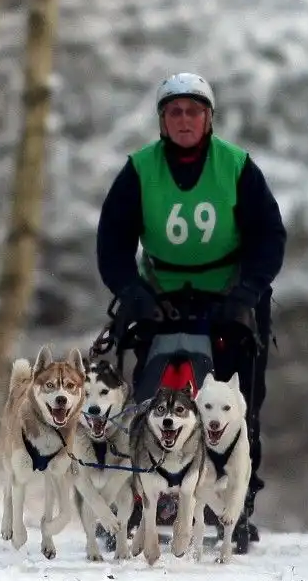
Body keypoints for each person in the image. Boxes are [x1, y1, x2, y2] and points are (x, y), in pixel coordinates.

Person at [95, 72, 287, 553]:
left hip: (229, 296)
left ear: (209, 120)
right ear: (162, 121)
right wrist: (132, 293)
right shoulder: (139, 169)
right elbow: (112, 241)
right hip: (160, 292)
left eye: (193, 111)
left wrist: (246, 292)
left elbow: (269, 237)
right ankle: (134, 495)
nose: (184, 120)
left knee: (240, 401)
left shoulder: (238, 166)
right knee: (147, 388)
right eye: (174, 111)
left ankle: (234, 507)